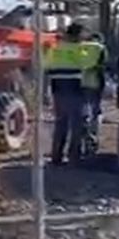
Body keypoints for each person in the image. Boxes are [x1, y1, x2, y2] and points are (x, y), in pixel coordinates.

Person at [42, 22, 100, 165]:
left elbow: (46, 65)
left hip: (57, 89)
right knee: (77, 125)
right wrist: (91, 45)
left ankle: (56, 157)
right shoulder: (79, 49)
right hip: (75, 89)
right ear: (79, 34)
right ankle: (74, 157)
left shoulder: (55, 49)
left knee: (60, 123)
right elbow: (89, 63)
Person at [79, 30, 108, 156]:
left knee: (82, 113)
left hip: (79, 84)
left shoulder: (80, 47)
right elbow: (103, 67)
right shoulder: (100, 49)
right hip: (94, 85)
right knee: (95, 113)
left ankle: (81, 141)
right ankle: (92, 141)